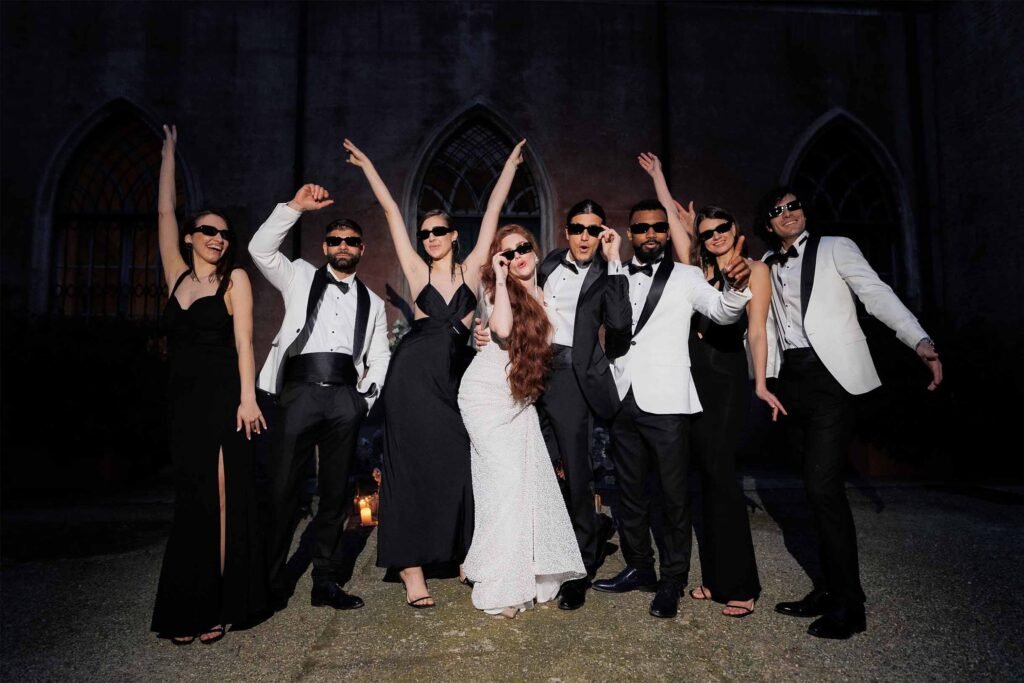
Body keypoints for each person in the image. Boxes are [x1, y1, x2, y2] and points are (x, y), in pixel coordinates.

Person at [344, 139, 525, 608]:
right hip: (410, 376)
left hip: (452, 378)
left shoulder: (469, 272)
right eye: (425, 233)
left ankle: (462, 554)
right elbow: (388, 209)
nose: (431, 239)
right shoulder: (416, 271)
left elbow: (491, 213)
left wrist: (508, 166)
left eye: (439, 231)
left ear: (453, 235)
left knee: (457, 462)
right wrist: (368, 166)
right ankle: (411, 570)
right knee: (406, 467)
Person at [758, 187, 942, 639]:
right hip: (791, 382)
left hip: (832, 379)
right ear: (768, 222)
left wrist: (918, 340)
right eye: (778, 210)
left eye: (794, 205)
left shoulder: (836, 247)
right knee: (811, 490)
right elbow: (762, 326)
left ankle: (850, 606)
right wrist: (762, 380)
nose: (789, 214)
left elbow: (875, 294)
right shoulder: (765, 262)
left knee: (823, 488)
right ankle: (826, 589)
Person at [591, 199, 751, 620]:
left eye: (659, 228)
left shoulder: (688, 276)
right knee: (629, 494)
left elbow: (721, 312)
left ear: (666, 232)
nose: (651, 234)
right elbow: (612, 325)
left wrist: (735, 288)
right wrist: (610, 265)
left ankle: (673, 580)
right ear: (630, 234)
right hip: (624, 397)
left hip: (667, 401)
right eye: (642, 228)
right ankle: (640, 567)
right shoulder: (615, 272)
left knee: (674, 495)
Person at [637, 153, 779, 618]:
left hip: (724, 378)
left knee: (722, 478)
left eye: (721, 231)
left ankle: (742, 585)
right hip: (690, 375)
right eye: (707, 232)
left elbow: (755, 331)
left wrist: (760, 383)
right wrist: (659, 178)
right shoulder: (696, 271)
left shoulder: (754, 270)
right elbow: (678, 229)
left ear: (736, 233)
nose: (714, 238)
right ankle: (715, 580)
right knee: (702, 481)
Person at [476, 198, 631, 611]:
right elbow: (507, 308)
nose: (585, 236)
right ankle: (545, 551)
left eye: (594, 229)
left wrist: (615, 262)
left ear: (603, 233)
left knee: (578, 471)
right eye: (578, 228)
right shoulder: (543, 264)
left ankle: (580, 565)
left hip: (569, 378)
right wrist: (484, 332)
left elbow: (618, 326)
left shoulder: (607, 272)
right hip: (528, 376)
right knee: (536, 470)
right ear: (565, 233)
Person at [248, 182, 390, 612]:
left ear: (361, 249)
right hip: (298, 393)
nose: (342, 246)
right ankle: (269, 583)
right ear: (324, 246)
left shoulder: (373, 301)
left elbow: (380, 355)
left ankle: (325, 581)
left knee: (336, 493)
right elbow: (259, 249)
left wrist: (363, 399)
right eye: (335, 239)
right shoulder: (299, 275)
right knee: (282, 490)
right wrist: (293, 206)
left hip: (344, 399)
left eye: (350, 241)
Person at [151, 125, 268, 645]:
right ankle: (186, 604)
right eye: (208, 232)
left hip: (226, 398)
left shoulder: (234, 279)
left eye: (223, 234)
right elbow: (162, 214)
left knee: (223, 496)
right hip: (183, 402)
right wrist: (169, 155)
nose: (218, 239)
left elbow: (245, 341)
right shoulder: (175, 275)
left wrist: (247, 398)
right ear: (189, 237)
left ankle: (218, 604)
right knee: (192, 498)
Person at [459, 224, 594, 619]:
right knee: (506, 484)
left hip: (519, 401)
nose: (516, 257)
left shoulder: (547, 293)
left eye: (522, 249)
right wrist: (500, 280)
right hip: (485, 396)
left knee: (526, 485)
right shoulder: (495, 290)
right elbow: (499, 329)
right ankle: (502, 582)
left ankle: (513, 567)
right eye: (507, 253)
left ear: (535, 252)